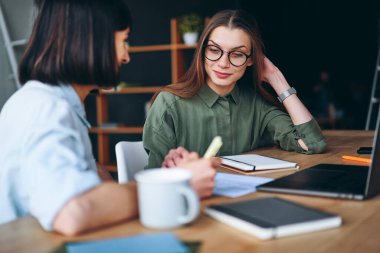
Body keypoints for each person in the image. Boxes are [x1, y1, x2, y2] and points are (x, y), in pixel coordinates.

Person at [0, 0, 218, 236]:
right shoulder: (46, 109)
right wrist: (174, 186)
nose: (126, 57)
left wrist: (167, 176)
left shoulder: (56, 103)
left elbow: (93, 179)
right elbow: (71, 212)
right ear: (90, 41)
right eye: (123, 41)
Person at [143, 9, 327, 168]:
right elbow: (155, 180)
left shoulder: (256, 104)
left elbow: (312, 144)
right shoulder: (169, 103)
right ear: (202, 52)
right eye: (214, 50)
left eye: (237, 54)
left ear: (250, 60)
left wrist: (276, 79)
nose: (223, 64)